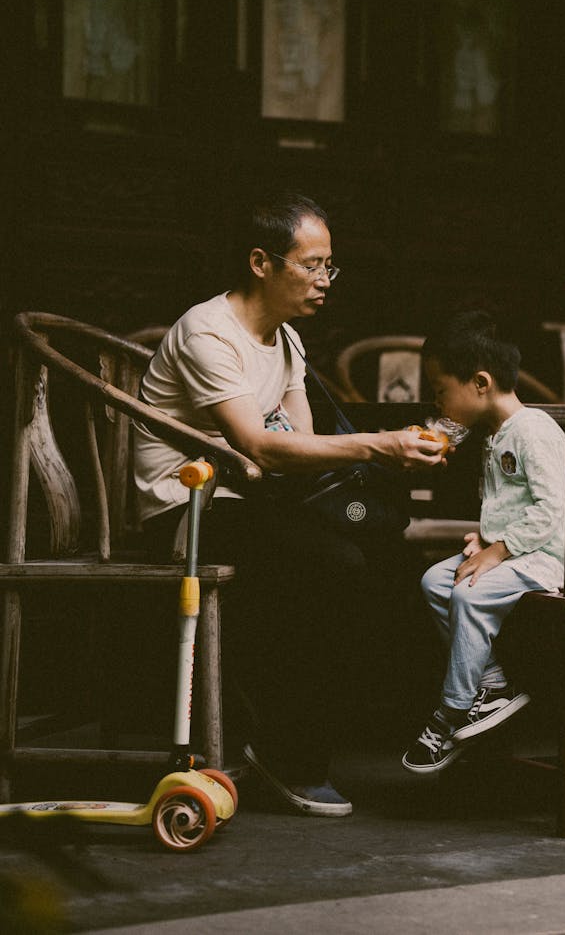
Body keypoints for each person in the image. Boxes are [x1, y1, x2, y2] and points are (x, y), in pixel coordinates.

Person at [133, 192, 445, 816]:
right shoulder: (209, 332)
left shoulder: (288, 341)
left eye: (330, 266)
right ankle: (286, 751)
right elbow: (260, 448)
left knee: (389, 551)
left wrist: (379, 462)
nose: (325, 280)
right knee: (333, 563)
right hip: (186, 510)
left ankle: (398, 726)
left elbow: (302, 448)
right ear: (261, 263)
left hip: (250, 500)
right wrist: (377, 445)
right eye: (311, 265)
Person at [402, 310, 565, 774]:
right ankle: (491, 687)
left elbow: (552, 510)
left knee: (470, 591)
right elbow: (514, 505)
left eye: (441, 389)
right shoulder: (494, 434)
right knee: (435, 580)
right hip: (521, 548)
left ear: (480, 383)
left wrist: (498, 550)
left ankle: (451, 710)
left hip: (555, 553)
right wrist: (485, 538)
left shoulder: (532, 430)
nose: (437, 401)